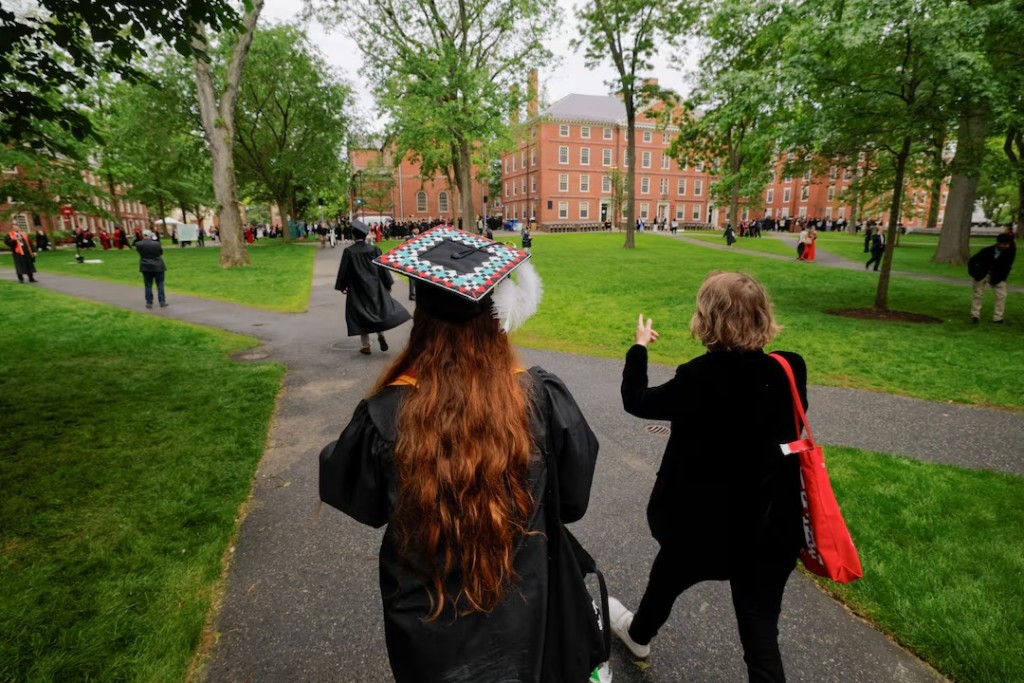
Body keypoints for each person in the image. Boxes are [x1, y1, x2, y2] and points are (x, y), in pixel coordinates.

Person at [320, 227, 601, 682]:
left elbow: (360, 500)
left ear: (423, 318)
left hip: (428, 626)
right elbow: (573, 501)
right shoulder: (541, 402)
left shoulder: (386, 415)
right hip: (526, 617)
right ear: (496, 317)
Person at [613, 271, 807, 682]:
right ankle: (638, 632)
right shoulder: (790, 367)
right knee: (760, 638)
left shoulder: (700, 376)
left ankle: (638, 634)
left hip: (702, 525)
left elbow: (637, 401)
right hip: (768, 525)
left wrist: (639, 346)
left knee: (667, 577)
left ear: (707, 318)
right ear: (762, 316)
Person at [334, 219, 410, 354]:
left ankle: (366, 345)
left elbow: (344, 270)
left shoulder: (349, 251)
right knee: (377, 310)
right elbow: (382, 268)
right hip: (374, 286)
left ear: (353, 235)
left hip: (357, 288)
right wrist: (388, 283)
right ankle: (380, 334)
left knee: (361, 314)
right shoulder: (374, 249)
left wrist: (342, 286)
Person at [968, 232, 1016, 324]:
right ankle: (975, 315)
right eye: (1004, 244)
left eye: (1008, 244)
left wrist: (1003, 277)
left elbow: (1013, 246)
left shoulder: (1009, 253)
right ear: (998, 243)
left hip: (998, 276)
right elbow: (973, 260)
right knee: (978, 295)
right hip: (982, 274)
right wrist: (973, 272)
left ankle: (998, 317)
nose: (1006, 246)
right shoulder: (987, 251)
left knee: (1001, 296)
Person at [135, 230, 167, 309]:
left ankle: (149, 302)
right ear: (150, 235)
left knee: (148, 285)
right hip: (157, 266)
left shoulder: (138, 244)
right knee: (160, 284)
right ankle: (162, 301)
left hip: (145, 266)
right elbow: (160, 253)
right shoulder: (156, 244)